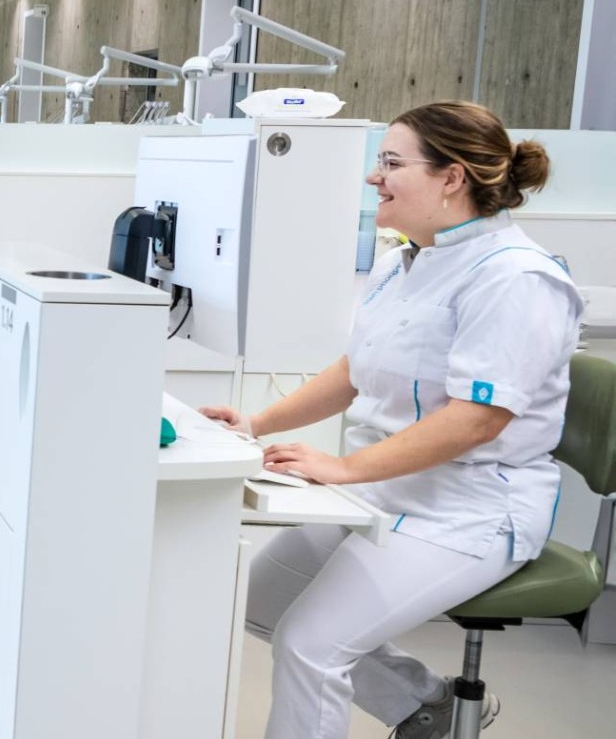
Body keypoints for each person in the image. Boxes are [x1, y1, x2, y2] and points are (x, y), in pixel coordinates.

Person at [200, 101, 579, 739]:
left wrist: (343, 468)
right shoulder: (404, 259)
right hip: (385, 492)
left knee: (310, 644)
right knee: (261, 600)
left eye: (392, 163)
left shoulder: (516, 279)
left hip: (469, 509)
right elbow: (354, 369)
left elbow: (476, 422)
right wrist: (255, 425)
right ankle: (424, 705)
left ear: (451, 179)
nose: (375, 178)